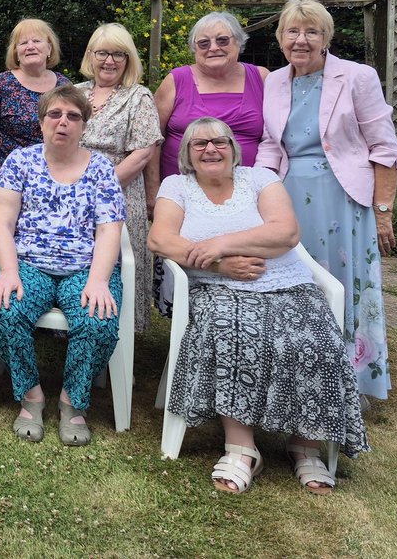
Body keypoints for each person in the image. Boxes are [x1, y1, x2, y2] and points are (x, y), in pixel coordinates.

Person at [149, 117, 368, 493]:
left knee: (317, 339)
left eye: (219, 142)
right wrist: (219, 265)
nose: (210, 149)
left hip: (286, 282)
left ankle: (306, 445)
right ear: (187, 154)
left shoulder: (260, 179)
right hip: (216, 286)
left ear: (234, 149)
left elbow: (286, 232)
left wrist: (219, 244)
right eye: (199, 144)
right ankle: (242, 449)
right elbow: (160, 239)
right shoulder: (177, 185)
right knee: (235, 332)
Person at [256, 0, 397, 401]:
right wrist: (260, 191)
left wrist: (383, 211)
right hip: (287, 197)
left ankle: (350, 382)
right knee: (293, 281)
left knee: (344, 284)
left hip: (343, 199)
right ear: (280, 38)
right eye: (292, 31)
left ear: (326, 38)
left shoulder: (357, 77)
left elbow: (385, 149)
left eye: (312, 32)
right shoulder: (274, 82)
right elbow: (270, 144)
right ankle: (295, 374)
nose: (300, 40)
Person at [0, 85, 124, 447]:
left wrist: (98, 280)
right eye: (55, 114)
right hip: (28, 264)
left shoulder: (101, 168)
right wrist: (9, 271)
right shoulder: (20, 161)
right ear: (41, 121)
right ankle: (31, 394)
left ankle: (72, 401)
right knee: (4, 312)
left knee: (98, 320)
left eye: (73, 116)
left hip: (85, 268)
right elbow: (1, 222)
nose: (63, 122)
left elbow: (109, 229)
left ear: (84, 125)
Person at [146, 10, 267, 314]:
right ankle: (183, 316)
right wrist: (153, 190)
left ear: (239, 42)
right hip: (184, 196)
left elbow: (280, 135)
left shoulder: (262, 78)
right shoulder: (177, 80)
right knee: (181, 254)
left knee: (244, 258)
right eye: (204, 43)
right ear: (194, 49)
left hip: (246, 194)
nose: (213, 47)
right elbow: (153, 138)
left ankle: (247, 310)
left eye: (222, 40)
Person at [73, 23, 163, 333]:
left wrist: (98, 188)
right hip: (71, 191)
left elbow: (143, 153)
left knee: (119, 262)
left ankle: (119, 333)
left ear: (128, 59)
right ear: (90, 55)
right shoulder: (75, 93)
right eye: (102, 53)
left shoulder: (139, 96)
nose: (109, 61)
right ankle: (78, 325)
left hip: (119, 193)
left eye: (118, 54)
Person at [0, 18, 69, 222]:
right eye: (23, 43)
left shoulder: (64, 87)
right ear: (15, 52)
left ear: (49, 48)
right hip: (2, 181)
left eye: (36, 41)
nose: (30, 47)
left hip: (52, 181)